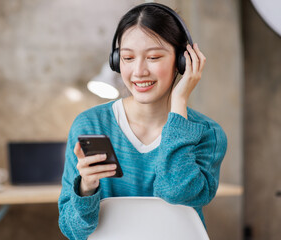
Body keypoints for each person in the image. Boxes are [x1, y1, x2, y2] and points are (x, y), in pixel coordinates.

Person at [58, 3, 227, 240]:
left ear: (182, 61)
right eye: (127, 57)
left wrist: (179, 103)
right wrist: (86, 187)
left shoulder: (207, 133)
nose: (138, 71)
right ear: (117, 60)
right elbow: (72, 230)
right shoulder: (90, 125)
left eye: (154, 57)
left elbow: (176, 191)